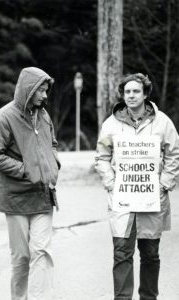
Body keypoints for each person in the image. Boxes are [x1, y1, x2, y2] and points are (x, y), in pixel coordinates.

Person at [95, 73, 179, 300]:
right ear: (123, 95)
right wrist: (112, 183)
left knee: (150, 254)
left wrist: (164, 184)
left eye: (136, 91)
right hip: (122, 200)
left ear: (145, 94)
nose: (131, 96)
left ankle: (148, 297)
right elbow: (102, 157)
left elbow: (174, 153)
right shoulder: (111, 124)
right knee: (122, 252)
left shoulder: (162, 122)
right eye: (127, 92)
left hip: (152, 199)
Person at [0, 67, 60, 300]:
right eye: (41, 91)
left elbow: (53, 142)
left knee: (41, 251)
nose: (45, 96)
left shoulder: (44, 115)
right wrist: (25, 171)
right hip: (15, 198)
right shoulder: (4, 117)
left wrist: (53, 163)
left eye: (47, 91)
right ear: (28, 89)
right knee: (21, 258)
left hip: (43, 195)